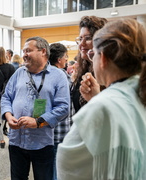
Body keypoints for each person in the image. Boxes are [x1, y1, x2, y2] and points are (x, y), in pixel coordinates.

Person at [57, 18, 146, 180]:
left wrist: (98, 101)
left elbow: (68, 163)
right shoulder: (139, 92)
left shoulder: (103, 106)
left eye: (94, 54)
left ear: (102, 58)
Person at [1, 36, 70, 180]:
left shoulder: (58, 76)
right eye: (23, 51)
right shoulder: (19, 73)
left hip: (42, 143)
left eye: (28, 51)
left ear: (43, 51)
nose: (24, 54)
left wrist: (38, 122)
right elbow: (6, 97)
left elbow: (63, 107)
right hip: (16, 141)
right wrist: (8, 115)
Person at [71, 16, 107, 117]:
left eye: (88, 38)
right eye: (80, 38)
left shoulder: (109, 74)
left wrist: (96, 98)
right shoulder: (82, 70)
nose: (81, 44)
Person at [48, 43, 71, 180]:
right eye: (66, 57)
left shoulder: (44, 75)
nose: (67, 59)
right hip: (61, 130)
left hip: (47, 129)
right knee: (57, 169)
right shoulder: (63, 77)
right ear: (59, 59)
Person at [0, 46, 15, 148]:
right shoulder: (11, 67)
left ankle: (0, 138)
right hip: (6, 96)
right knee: (2, 118)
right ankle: (1, 137)